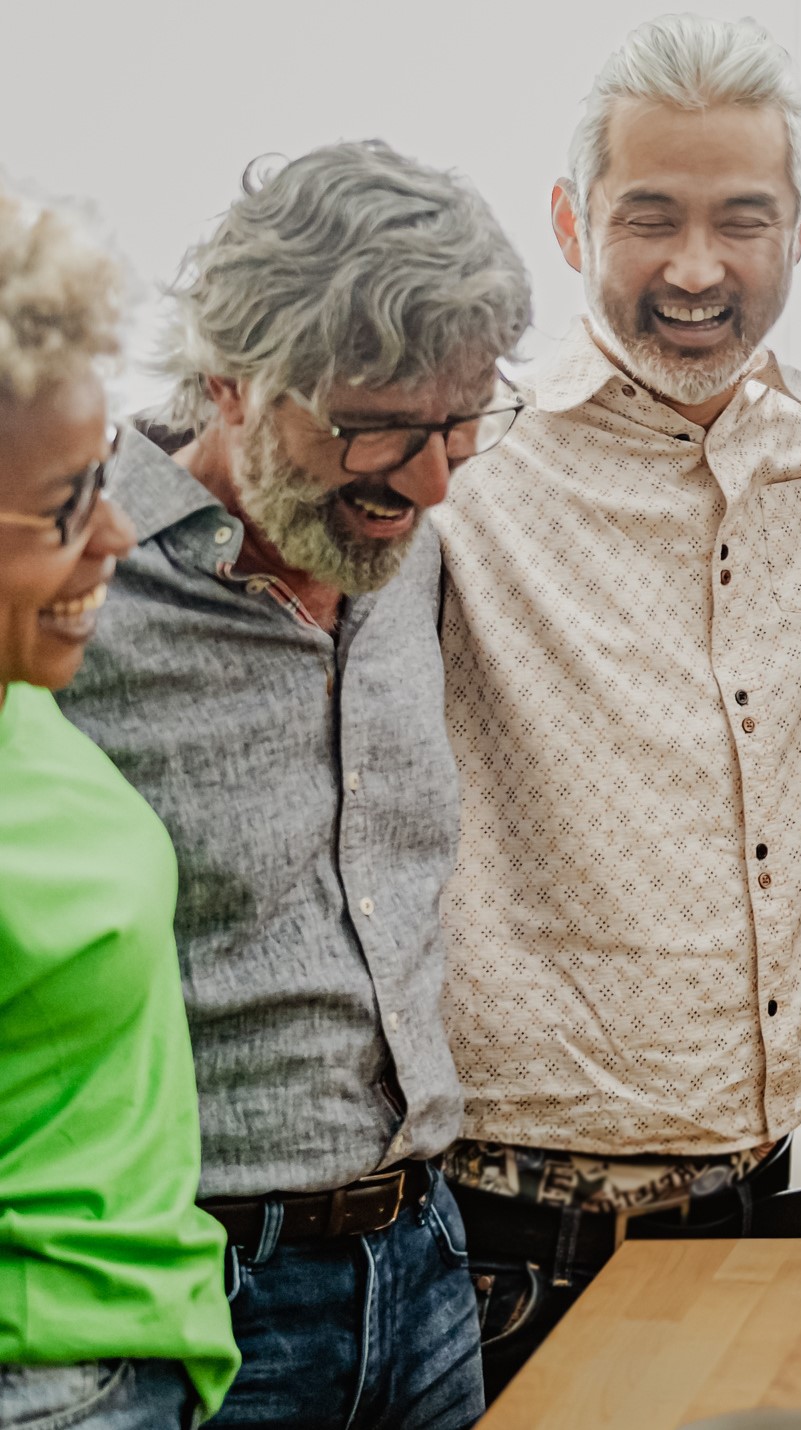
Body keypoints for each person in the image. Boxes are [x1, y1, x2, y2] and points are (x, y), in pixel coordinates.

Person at [433, 15, 801, 1389]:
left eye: (742, 218)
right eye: (651, 218)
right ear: (573, 221)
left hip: (775, 1194)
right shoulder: (461, 475)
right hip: (515, 1241)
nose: (698, 269)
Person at [58, 144, 530, 1430]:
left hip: (431, 1260)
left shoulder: (401, 544)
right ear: (228, 379)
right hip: (187, 1306)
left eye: (463, 420)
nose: (434, 483)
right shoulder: (69, 579)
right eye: (377, 428)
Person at [0, 183, 238, 1430]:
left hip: (140, 1364)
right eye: (58, 508)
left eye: (102, 479)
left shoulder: (27, 699)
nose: (115, 538)